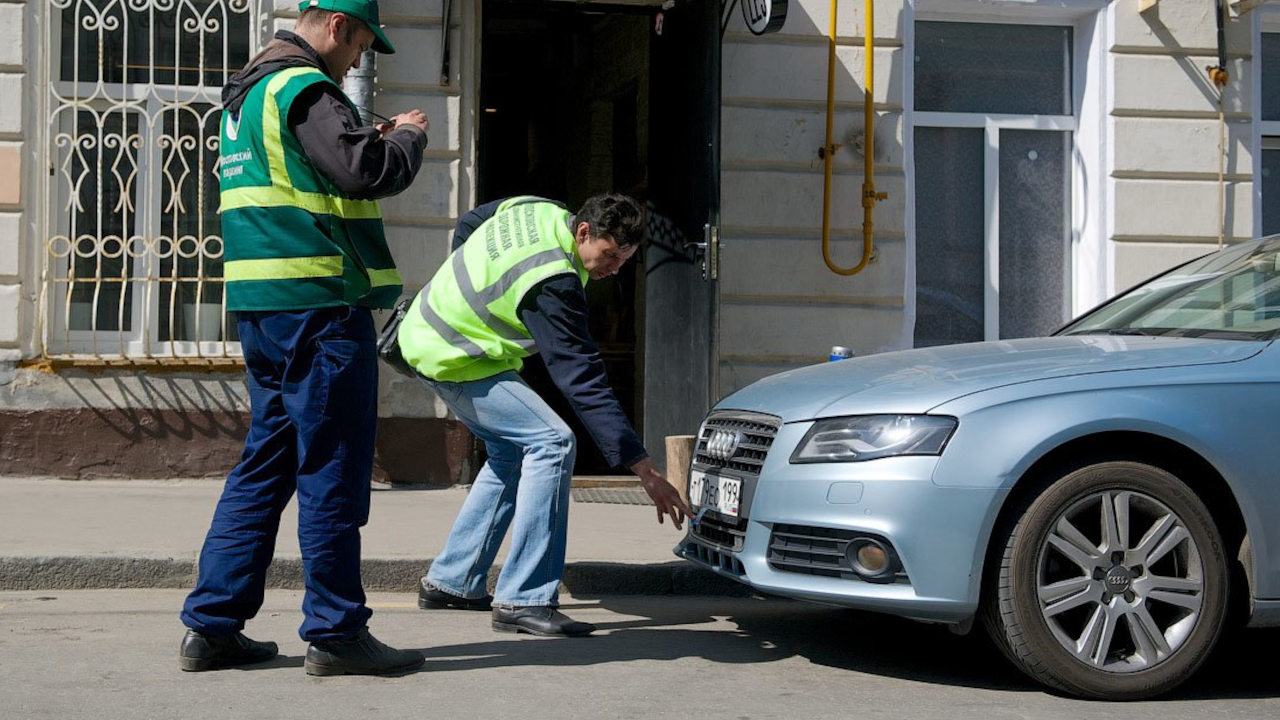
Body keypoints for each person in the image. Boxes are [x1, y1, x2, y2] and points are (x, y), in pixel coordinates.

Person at [179, 0, 430, 676]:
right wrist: (406, 137)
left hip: (264, 310)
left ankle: (212, 625)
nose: (357, 64)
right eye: (360, 48)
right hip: (319, 310)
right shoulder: (304, 88)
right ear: (337, 26)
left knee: (267, 462)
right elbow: (362, 172)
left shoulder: (246, 96)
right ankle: (337, 631)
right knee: (333, 467)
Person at [398, 193, 692, 637]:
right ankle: (525, 597)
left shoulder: (535, 208)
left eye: (624, 260)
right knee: (552, 441)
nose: (614, 269)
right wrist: (644, 469)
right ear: (584, 232)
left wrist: (459, 284)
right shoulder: (553, 281)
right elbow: (582, 380)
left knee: (511, 452)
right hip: (452, 356)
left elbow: (471, 222)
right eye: (610, 255)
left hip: (433, 336)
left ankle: (453, 581)